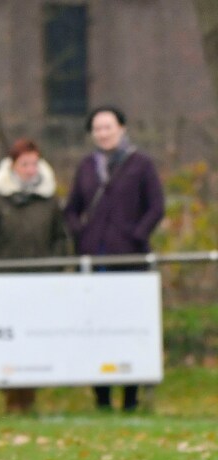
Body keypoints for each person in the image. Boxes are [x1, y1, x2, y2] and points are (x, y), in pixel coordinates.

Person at [63, 106, 165, 413]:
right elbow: (71, 208)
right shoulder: (86, 167)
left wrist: (137, 234)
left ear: (121, 128)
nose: (103, 133)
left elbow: (156, 206)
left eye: (108, 127)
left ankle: (131, 396)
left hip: (129, 260)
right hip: (94, 260)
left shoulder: (141, 164)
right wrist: (81, 235)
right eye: (97, 128)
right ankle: (102, 397)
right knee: (97, 328)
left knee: (128, 327)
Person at [0, 138, 69, 414]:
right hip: (5, 284)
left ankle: (30, 399)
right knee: (8, 343)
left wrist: (53, 270)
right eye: (24, 164)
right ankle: (11, 398)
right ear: (13, 166)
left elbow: (60, 237)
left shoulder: (49, 198)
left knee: (35, 342)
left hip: (41, 284)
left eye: (34, 163)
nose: (30, 169)